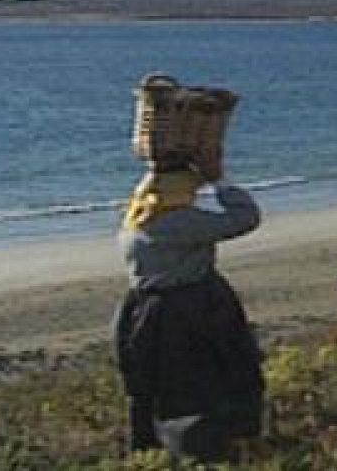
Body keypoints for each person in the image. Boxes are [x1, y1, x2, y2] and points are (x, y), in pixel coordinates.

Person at [113, 151, 264, 462]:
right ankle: (214, 447)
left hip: (144, 313)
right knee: (215, 379)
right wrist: (221, 181)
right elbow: (247, 217)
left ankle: (152, 450)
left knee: (155, 387)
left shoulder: (134, 221)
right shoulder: (178, 222)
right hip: (194, 310)